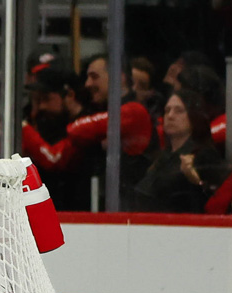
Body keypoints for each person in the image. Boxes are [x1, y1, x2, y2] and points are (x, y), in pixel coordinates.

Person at [23, 54, 156, 209]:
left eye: (94, 77)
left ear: (119, 77)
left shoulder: (134, 111)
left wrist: (23, 128)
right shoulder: (104, 113)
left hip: (132, 211)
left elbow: (78, 130)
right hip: (113, 208)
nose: (88, 84)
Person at [133, 89, 226, 212]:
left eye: (179, 111)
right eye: (167, 110)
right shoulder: (162, 157)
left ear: (194, 116)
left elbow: (211, 202)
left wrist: (195, 181)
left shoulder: (203, 155)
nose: (170, 116)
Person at [21, 65, 94, 210]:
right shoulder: (48, 123)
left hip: (81, 213)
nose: (42, 106)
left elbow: (54, 159)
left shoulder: (87, 125)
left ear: (69, 95)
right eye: (38, 100)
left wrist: (24, 129)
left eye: (46, 99)